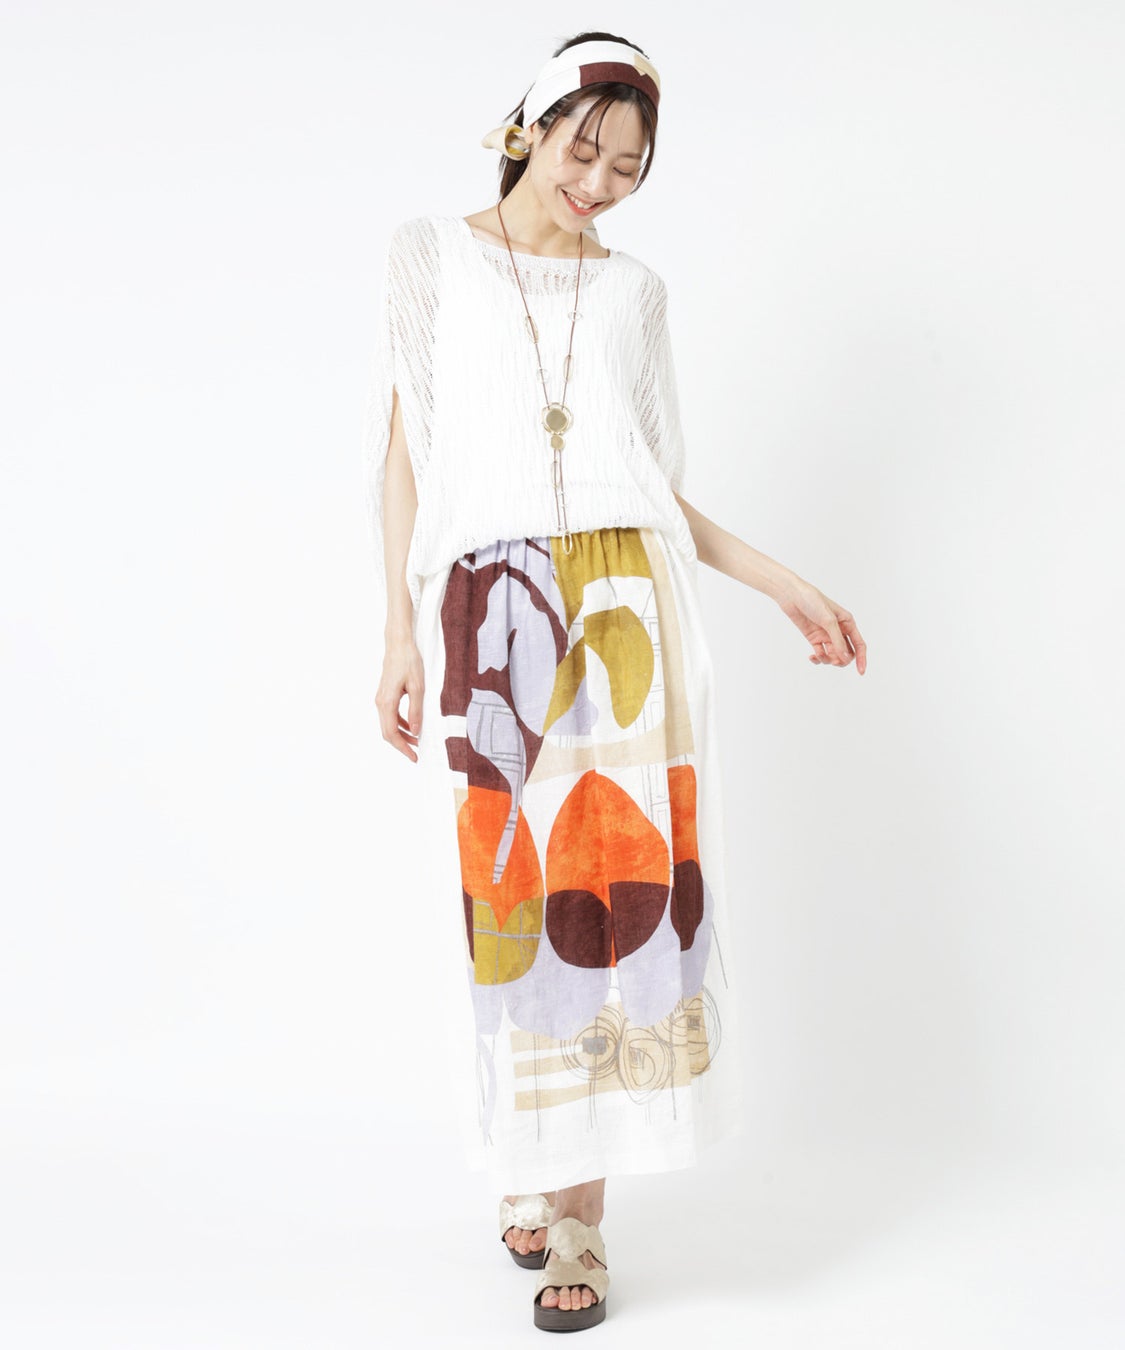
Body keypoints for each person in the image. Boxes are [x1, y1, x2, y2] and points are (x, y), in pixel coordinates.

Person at [363, 31, 867, 1334]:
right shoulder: (429, 257)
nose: (596, 182)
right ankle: (529, 1157)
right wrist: (399, 630)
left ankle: (578, 1214)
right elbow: (407, 458)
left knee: (619, 897)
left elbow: (650, 486)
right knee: (513, 894)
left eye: (627, 167)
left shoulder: (636, 293)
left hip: (627, 605)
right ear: (528, 128)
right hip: (487, 607)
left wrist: (780, 581)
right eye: (581, 149)